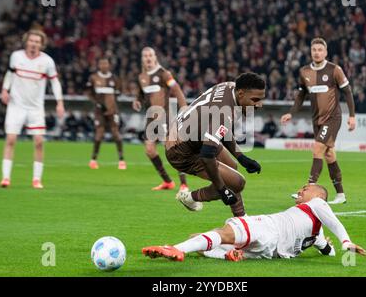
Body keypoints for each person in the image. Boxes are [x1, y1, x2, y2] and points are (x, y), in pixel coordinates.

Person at [142, 184, 366, 262]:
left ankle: (175, 249)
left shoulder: (317, 203)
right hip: (269, 253)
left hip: (270, 227)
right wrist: (329, 246)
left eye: (305, 189)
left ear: (318, 195)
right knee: (205, 242)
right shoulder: (315, 235)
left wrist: (346, 242)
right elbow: (328, 252)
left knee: (222, 234)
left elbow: (334, 222)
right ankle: (217, 253)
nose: (300, 190)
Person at [165, 73, 265, 217]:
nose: (259, 105)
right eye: (255, 100)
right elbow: (207, 155)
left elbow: (222, 129)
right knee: (236, 182)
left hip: (191, 134)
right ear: (241, 93)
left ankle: (241, 219)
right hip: (180, 151)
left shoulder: (231, 87)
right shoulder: (225, 112)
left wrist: (241, 157)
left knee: (233, 168)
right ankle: (190, 197)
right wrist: (222, 189)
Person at [281, 38, 356, 204]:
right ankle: (341, 195)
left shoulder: (334, 70)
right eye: (314, 49)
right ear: (310, 51)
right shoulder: (304, 71)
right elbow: (301, 95)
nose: (317, 52)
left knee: (317, 149)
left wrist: (352, 116)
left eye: (320, 50)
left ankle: (307, 190)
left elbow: (348, 92)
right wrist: (291, 113)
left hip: (332, 117)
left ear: (326, 52)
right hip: (317, 120)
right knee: (329, 155)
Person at [0, 29, 65, 189]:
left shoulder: (47, 61)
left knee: (38, 142)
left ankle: (36, 179)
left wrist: (60, 102)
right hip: (16, 105)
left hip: (35, 108)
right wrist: (4, 89)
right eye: (32, 41)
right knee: (11, 140)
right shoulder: (16, 56)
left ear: (41, 44)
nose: (34, 44)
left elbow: (55, 82)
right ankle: (6, 178)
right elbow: (10, 73)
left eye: (37, 42)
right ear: (26, 42)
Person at [133, 47, 189, 191]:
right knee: (150, 150)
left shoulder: (164, 74)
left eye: (150, 55)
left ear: (155, 57)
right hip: (151, 118)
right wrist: (137, 100)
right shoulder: (141, 77)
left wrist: (183, 107)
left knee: (172, 150)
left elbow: (176, 89)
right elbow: (141, 91)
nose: (148, 58)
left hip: (164, 116)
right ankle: (168, 182)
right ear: (142, 59)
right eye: (145, 56)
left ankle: (184, 184)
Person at [85, 57, 126, 169]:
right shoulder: (93, 78)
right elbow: (89, 93)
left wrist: (111, 104)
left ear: (109, 65)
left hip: (113, 110)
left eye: (105, 63)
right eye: (101, 63)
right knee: (99, 133)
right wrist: (98, 103)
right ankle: (93, 160)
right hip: (99, 111)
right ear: (99, 65)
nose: (103, 65)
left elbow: (118, 93)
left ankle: (121, 160)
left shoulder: (115, 79)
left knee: (115, 133)